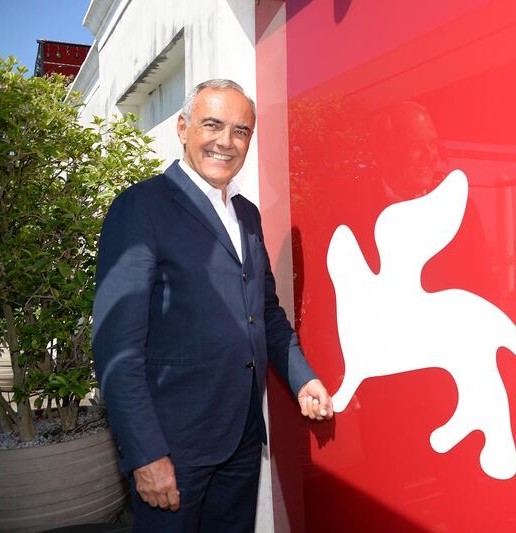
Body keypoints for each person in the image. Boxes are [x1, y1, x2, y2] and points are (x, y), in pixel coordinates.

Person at [92, 79, 333, 532]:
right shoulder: (140, 208)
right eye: (212, 124)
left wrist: (302, 378)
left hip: (241, 438)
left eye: (241, 131)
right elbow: (116, 352)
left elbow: (265, 312)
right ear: (183, 128)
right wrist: (146, 453)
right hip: (174, 449)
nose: (226, 141)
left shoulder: (247, 214)